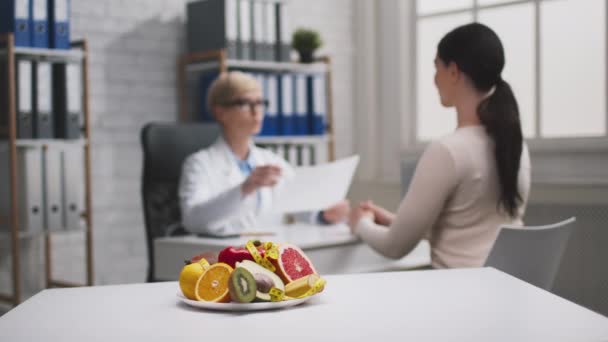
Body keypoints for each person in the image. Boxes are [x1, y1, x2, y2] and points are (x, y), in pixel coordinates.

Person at [348, 23, 531, 268]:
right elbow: (466, 229)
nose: (435, 80)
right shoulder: (516, 146)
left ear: (453, 71)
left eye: (437, 68)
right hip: (503, 289)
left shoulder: (448, 151)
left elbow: (394, 247)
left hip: (456, 295)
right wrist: (394, 220)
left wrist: (359, 223)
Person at [179, 71, 349, 237]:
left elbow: (298, 203)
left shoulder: (270, 160)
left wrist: (323, 215)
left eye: (260, 103)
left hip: (272, 253)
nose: (256, 111)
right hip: (226, 256)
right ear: (220, 112)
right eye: (245, 103)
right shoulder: (199, 164)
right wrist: (245, 188)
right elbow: (192, 219)